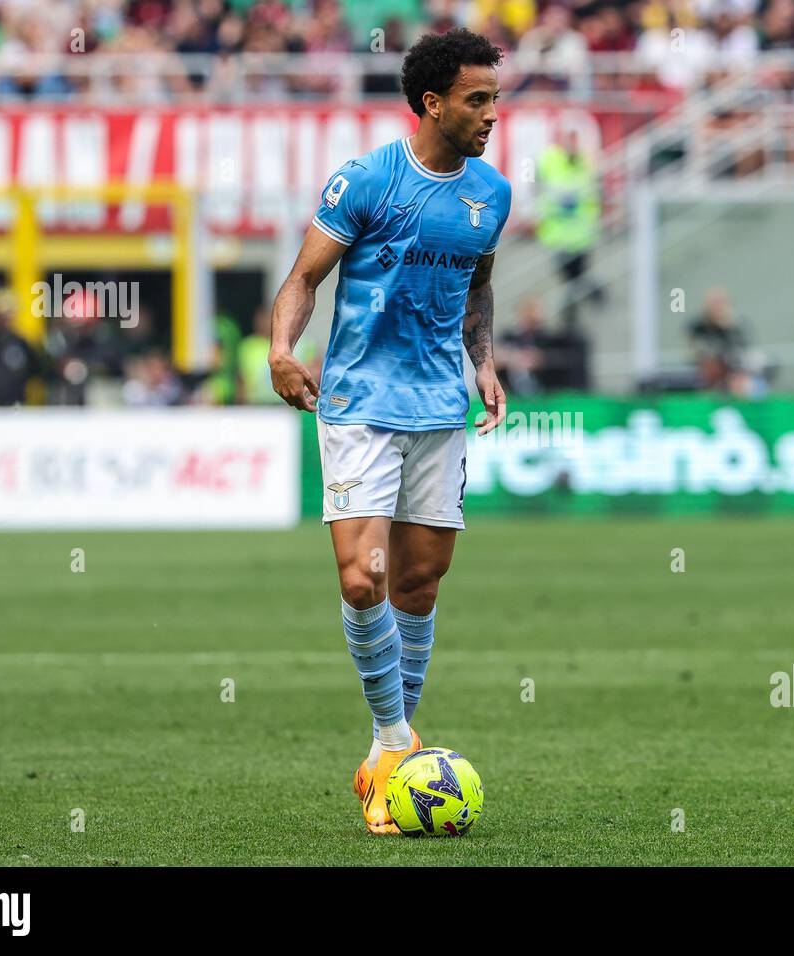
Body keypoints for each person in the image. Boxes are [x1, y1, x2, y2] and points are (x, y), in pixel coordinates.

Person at [267, 28, 511, 836]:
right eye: (477, 99)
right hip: (361, 404)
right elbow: (304, 279)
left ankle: (386, 759)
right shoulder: (367, 180)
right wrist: (281, 348)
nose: (490, 115)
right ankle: (396, 742)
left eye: (495, 99)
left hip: (442, 409)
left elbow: (477, 287)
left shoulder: (492, 194)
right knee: (362, 580)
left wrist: (483, 362)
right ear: (432, 102)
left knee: (419, 585)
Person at [534, 127, 601, 330]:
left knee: (576, 279)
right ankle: (589, 297)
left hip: (581, 236)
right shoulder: (549, 161)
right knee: (570, 280)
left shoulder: (586, 163)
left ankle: (577, 309)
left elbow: (593, 195)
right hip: (557, 236)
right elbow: (536, 188)